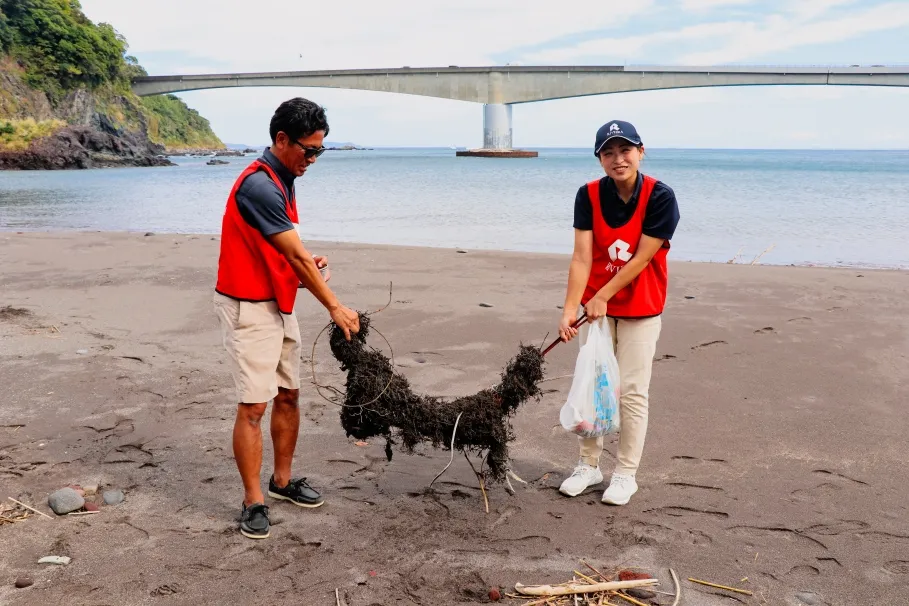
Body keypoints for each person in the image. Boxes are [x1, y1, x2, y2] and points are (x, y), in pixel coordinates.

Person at [213, 97, 360, 539]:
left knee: (289, 395)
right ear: (281, 140)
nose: (314, 159)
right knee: (253, 405)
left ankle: (281, 483)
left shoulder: (284, 177)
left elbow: (285, 251)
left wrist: (306, 268)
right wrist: (333, 303)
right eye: (308, 150)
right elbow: (292, 254)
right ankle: (253, 501)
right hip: (248, 307)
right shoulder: (259, 185)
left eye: (320, 151)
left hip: (278, 302)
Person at [557, 120, 680, 505]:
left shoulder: (661, 196)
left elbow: (643, 258)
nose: (618, 159)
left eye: (625, 150)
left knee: (630, 392)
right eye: (608, 152)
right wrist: (569, 309)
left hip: (640, 307)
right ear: (599, 159)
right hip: (596, 310)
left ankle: (625, 474)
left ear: (640, 152)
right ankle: (589, 466)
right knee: (595, 386)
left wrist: (601, 295)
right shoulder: (588, 195)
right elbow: (581, 257)